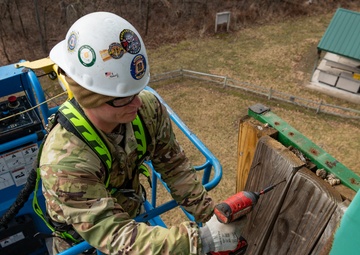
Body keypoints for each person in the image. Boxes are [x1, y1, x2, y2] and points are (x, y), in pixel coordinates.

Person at [39, 11, 246, 255]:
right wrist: (202, 240)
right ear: (89, 98)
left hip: (131, 216)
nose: (137, 104)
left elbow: (174, 166)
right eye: (123, 99)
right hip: (84, 244)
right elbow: (113, 234)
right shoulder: (64, 161)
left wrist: (212, 216)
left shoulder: (146, 109)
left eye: (137, 92)